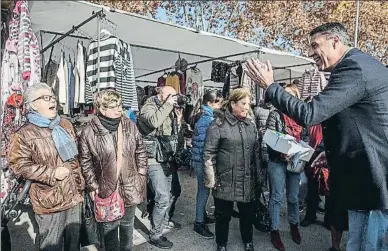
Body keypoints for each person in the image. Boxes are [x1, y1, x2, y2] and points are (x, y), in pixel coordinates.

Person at [247, 22, 388, 251]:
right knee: (358, 242)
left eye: (315, 45)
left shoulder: (354, 68)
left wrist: (271, 87)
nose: (311, 53)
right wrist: (327, 153)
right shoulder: (354, 67)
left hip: (371, 177)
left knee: (367, 244)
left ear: (335, 41)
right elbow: (350, 122)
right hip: (363, 176)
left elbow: (311, 114)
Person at [9, 83, 84, 251]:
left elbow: (75, 158)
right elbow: (18, 165)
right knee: (51, 245)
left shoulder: (65, 125)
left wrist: (81, 183)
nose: (53, 100)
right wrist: (51, 173)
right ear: (33, 105)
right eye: (46, 97)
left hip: (74, 196)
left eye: (52, 96)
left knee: (74, 245)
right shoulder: (24, 134)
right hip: (50, 200)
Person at [78, 89, 148, 251]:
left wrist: (142, 172)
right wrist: (92, 185)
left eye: (120, 105)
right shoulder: (89, 131)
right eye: (113, 106)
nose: (119, 109)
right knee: (109, 231)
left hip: (131, 184)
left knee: (127, 226)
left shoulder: (129, 125)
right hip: (106, 188)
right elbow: (85, 161)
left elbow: (141, 149)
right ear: (102, 109)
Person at [203, 88, 259, 251]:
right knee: (223, 216)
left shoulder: (250, 124)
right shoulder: (218, 124)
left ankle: (248, 241)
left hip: (247, 179)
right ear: (233, 103)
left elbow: (255, 152)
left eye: (248, 104)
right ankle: (221, 244)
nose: (246, 107)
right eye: (243, 103)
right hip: (225, 179)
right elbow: (208, 154)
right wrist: (211, 179)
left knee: (247, 214)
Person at [137, 86, 183, 249]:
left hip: (166, 157)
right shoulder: (148, 107)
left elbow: (172, 134)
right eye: (170, 95)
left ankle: (163, 223)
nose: (173, 98)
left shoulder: (169, 107)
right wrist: (169, 105)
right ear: (160, 94)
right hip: (152, 159)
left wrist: (178, 119)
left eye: (175, 95)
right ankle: (155, 234)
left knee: (172, 193)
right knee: (162, 196)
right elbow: (154, 122)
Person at [265, 83, 303, 251]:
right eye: (283, 94)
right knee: (277, 196)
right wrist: (282, 151)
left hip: (296, 159)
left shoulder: (301, 115)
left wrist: (300, 151)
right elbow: (270, 136)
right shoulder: (275, 114)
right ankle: (274, 229)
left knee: (294, 197)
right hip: (277, 160)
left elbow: (307, 136)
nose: (286, 98)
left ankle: (294, 224)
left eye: (289, 94)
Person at [191, 90, 223, 239]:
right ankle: (199, 223)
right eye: (218, 102)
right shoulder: (207, 119)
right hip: (202, 161)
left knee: (203, 191)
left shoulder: (205, 116)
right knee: (203, 192)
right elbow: (206, 145)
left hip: (200, 160)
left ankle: (202, 216)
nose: (221, 105)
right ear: (210, 103)